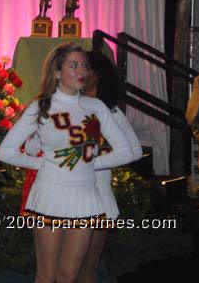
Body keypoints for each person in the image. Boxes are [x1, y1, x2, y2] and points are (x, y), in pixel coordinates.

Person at [0, 43, 135, 283]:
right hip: (49, 194)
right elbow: (6, 152)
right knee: (47, 275)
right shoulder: (42, 106)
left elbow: (126, 152)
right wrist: (43, 164)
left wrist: (90, 162)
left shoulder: (97, 107)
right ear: (58, 72)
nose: (81, 70)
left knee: (69, 275)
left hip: (86, 197)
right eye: (73, 65)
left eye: (84, 65)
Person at [76, 51, 142, 283]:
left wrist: (95, 163)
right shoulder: (69, 107)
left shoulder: (111, 112)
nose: (80, 72)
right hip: (66, 195)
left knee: (87, 270)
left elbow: (134, 151)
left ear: (98, 74)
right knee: (67, 270)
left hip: (98, 196)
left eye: (85, 67)